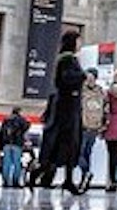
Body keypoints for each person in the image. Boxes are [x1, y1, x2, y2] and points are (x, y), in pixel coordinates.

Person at [35, 30, 87, 191]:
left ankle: (65, 178)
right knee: (67, 142)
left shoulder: (68, 59)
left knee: (67, 143)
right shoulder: (67, 59)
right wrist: (83, 76)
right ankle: (58, 177)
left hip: (69, 106)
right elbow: (66, 78)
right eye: (78, 41)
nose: (80, 44)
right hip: (67, 108)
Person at [79, 67, 108, 190]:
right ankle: (85, 177)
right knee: (87, 153)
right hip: (95, 126)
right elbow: (106, 110)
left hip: (84, 126)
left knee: (79, 152)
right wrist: (104, 125)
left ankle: (86, 173)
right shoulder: (101, 92)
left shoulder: (82, 90)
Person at [0, 107, 30, 187]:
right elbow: (26, 127)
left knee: (6, 164)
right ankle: (15, 182)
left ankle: (5, 182)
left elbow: (1, 132)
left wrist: (2, 144)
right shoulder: (21, 119)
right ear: (19, 112)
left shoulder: (6, 119)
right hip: (17, 144)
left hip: (7, 144)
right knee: (17, 164)